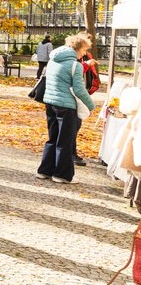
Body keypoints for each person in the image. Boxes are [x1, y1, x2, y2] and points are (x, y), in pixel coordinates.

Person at [37, 33, 96, 184]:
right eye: (84, 49)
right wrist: (91, 105)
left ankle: (45, 171)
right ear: (78, 48)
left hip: (50, 103)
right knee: (65, 141)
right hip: (66, 106)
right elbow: (79, 89)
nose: (84, 53)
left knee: (53, 138)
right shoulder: (75, 65)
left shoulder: (53, 60)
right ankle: (62, 175)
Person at [72, 31, 99, 166]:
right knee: (73, 126)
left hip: (81, 94)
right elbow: (75, 74)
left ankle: (70, 153)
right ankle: (71, 154)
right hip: (74, 98)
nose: (88, 49)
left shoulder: (83, 56)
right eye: (86, 46)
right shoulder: (74, 58)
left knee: (75, 125)